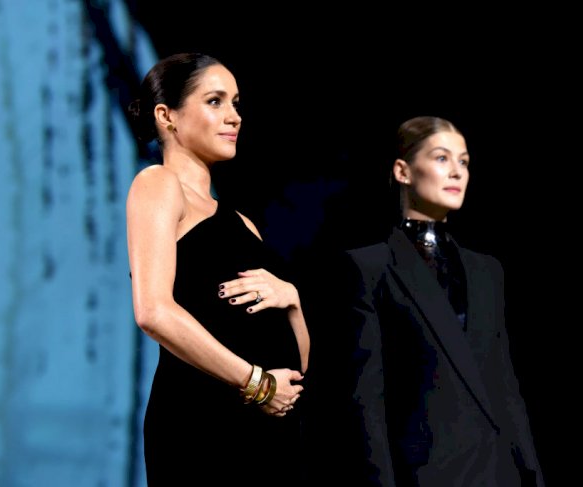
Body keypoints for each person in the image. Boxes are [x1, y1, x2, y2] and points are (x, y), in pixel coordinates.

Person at [304, 116, 544, 486]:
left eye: (463, 161)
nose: (457, 172)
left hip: (499, 471)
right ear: (403, 170)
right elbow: (366, 399)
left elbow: (505, 385)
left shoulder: (487, 271)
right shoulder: (370, 267)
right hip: (424, 474)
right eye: (442, 158)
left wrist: (531, 474)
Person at [125, 52, 309, 486]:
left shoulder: (242, 223)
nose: (234, 117)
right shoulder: (157, 184)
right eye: (215, 101)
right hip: (203, 422)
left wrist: (294, 300)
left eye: (236, 103)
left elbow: (299, 363)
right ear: (166, 116)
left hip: (270, 427)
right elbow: (153, 310)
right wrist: (257, 384)